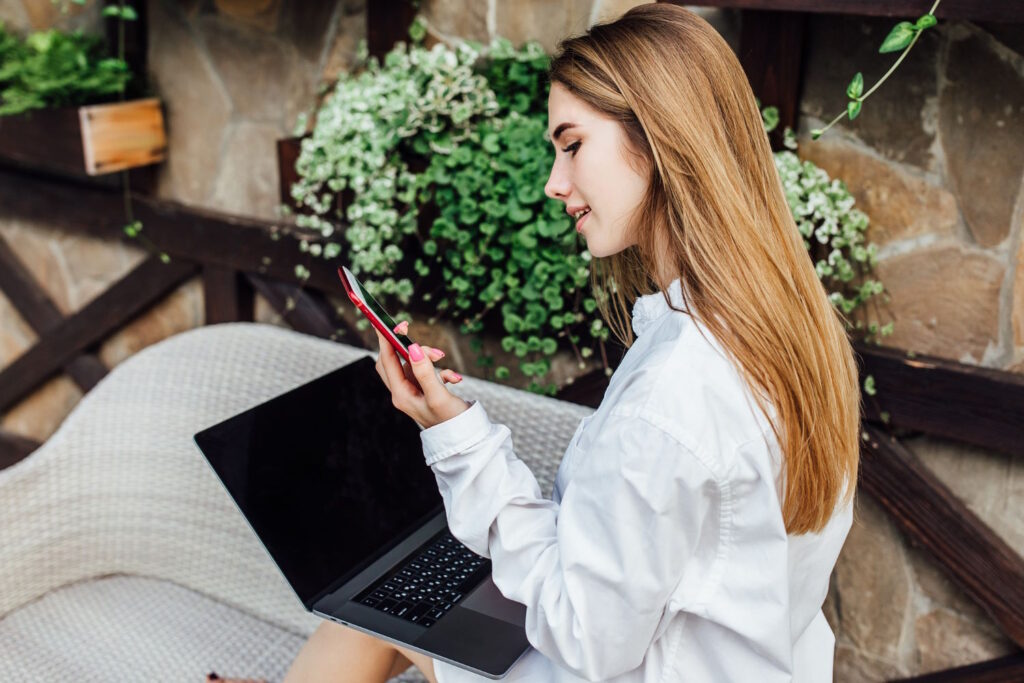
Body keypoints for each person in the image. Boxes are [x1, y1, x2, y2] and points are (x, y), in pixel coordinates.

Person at [209, 3, 860, 682]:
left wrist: (461, 442)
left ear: (662, 136)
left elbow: (587, 638)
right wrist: (453, 424)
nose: (555, 183)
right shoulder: (787, 333)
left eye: (572, 143)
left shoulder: (674, 393)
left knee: (387, 600)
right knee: (384, 603)